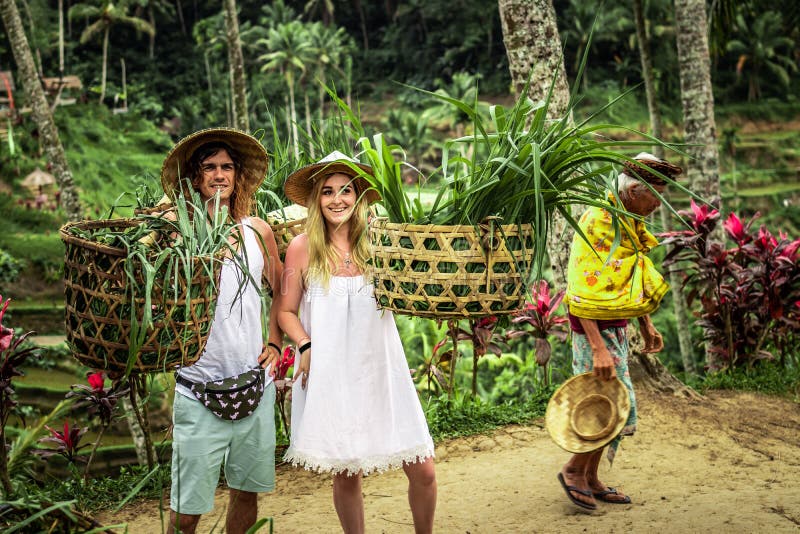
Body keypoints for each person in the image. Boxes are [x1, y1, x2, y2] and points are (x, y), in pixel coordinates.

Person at [278, 151, 437, 533]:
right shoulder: (302, 247)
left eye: (346, 190)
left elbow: (413, 288)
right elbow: (285, 311)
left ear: (359, 195)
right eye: (328, 191)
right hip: (331, 370)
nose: (338, 200)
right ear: (316, 198)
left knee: (424, 470)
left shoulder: (381, 242)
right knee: (346, 473)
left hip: (382, 367)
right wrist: (305, 344)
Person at [160, 128, 284, 534]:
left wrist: (274, 340)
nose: (219, 174)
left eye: (226, 167)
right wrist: (171, 211)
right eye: (209, 167)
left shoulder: (257, 231)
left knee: (247, 492)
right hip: (197, 387)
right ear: (195, 178)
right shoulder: (179, 234)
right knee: (186, 510)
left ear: (238, 177)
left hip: (254, 382)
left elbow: (282, 292)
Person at [558, 152, 681, 511]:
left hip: (615, 329)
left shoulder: (626, 220)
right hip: (591, 333)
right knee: (606, 404)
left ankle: (592, 479)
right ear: (633, 190)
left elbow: (625, 280)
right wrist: (597, 347)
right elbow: (582, 290)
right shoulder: (598, 220)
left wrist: (646, 323)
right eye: (654, 198)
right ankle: (573, 471)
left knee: (614, 404)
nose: (657, 206)